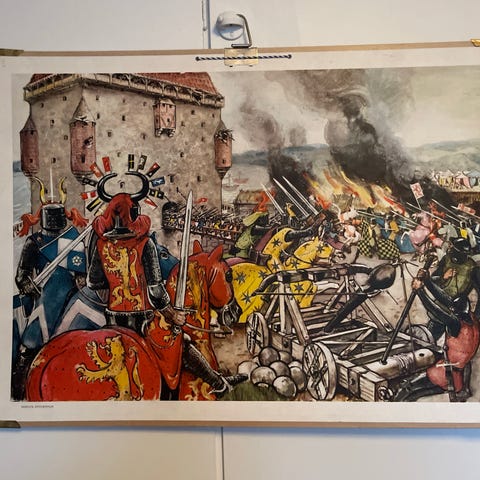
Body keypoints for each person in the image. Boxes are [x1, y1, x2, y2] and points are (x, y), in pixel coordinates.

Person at [88, 187, 245, 399]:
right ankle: (218, 384)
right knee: (180, 341)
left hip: (113, 320)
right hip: (143, 321)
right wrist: (171, 314)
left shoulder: (102, 244)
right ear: (134, 214)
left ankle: (218, 380)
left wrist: (118, 289)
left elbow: (94, 282)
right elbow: (155, 291)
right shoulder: (145, 244)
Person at [13, 190, 88, 399]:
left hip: (72, 297)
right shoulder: (34, 241)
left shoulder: (74, 238)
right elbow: (22, 276)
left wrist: (82, 280)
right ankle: (20, 391)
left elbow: (82, 271)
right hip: (44, 298)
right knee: (30, 345)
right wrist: (28, 286)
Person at [394, 238, 480, 401]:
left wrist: (421, 292)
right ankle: (462, 388)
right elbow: (445, 299)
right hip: (456, 367)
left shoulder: (455, 322)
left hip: (443, 375)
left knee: (408, 389)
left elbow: (435, 309)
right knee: (448, 350)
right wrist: (428, 280)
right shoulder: (472, 320)